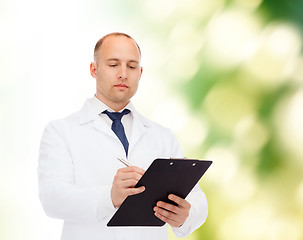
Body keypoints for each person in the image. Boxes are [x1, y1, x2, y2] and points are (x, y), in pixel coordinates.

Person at [38, 32, 208, 240]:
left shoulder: (162, 135)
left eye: (132, 66)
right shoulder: (61, 131)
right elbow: (52, 198)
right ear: (94, 69)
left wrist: (185, 215)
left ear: (140, 72)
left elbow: (196, 198)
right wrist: (110, 197)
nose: (123, 74)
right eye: (113, 64)